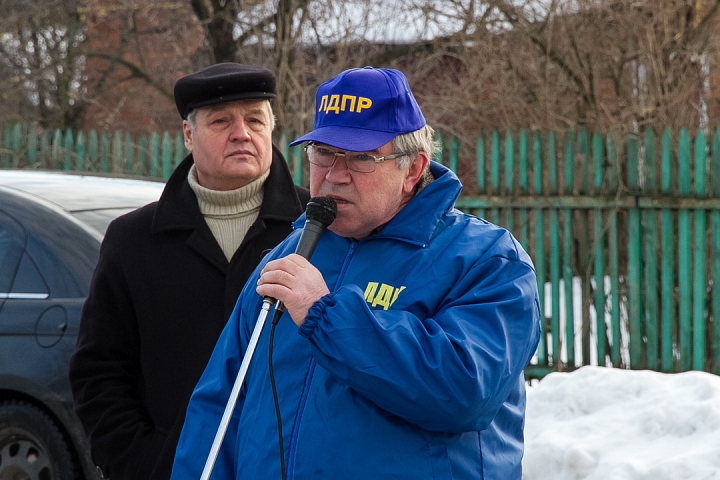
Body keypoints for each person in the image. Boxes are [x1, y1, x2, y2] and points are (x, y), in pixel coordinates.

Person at [170, 66, 541, 480]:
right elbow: (220, 405)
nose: (334, 175)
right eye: (323, 153)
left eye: (361, 158)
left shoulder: (486, 260)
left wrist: (323, 313)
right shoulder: (290, 255)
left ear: (413, 169)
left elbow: (464, 392)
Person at [68, 63, 310, 480]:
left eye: (255, 119)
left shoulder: (316, 231)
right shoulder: (134, 241)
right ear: (187, 134)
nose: (242, 133)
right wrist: (142, 463)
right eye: (221, 121)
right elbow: (100, 372)